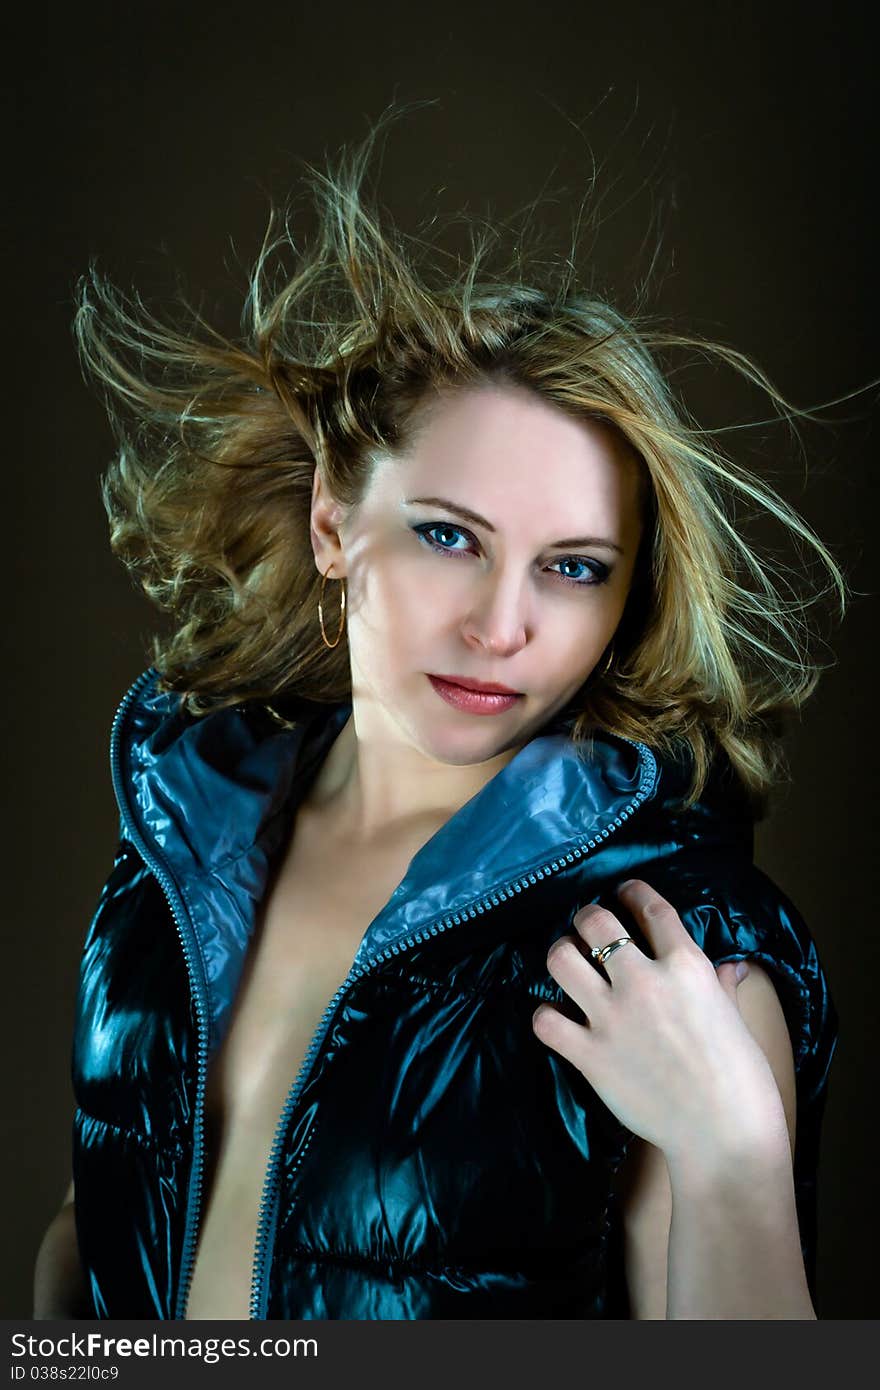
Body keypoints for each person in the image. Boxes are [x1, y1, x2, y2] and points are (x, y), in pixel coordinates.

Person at [33, 112, 847, 1321]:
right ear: (330, 523)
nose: (500, 625)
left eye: (572, 567)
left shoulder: (673, 945)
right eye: (449, 536)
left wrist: (733, 1159)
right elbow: (88, 1226)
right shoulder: (180, 836)